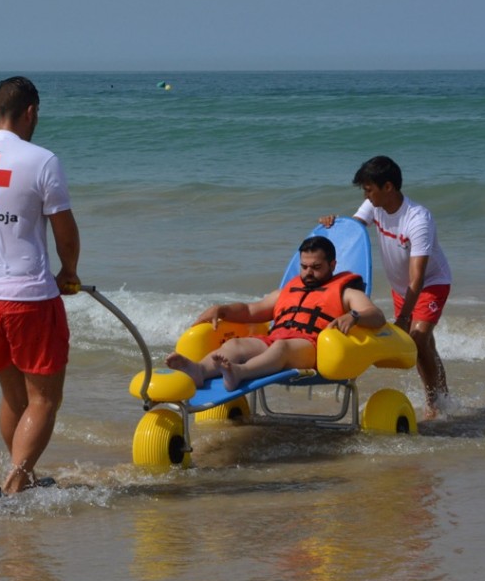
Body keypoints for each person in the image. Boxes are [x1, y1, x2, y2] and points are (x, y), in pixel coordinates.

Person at [0, 76, 81, 495]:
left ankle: (20, 479)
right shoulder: (41, 161)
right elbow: (65, 232)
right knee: (44, 400)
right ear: (32, 113)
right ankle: (14, 484)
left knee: (14, 398)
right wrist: (69, 270)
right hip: (26, 298)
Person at [319, 155, 452, 419]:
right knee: (427, 345)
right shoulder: (374, 206)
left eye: (369, 189)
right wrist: (333, 224)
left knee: (418, 338)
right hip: (402, 288)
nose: (366, 196)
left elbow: (418, 277)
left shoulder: (417, 219)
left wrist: (403, 317)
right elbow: (353, 232)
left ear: (388, 187)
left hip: (430, 284)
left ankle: (434, 404)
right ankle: (444, 396)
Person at [166, 236, 386, 391]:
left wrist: (354, 316)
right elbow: (251, 310)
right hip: (275, 339)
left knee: (282, 348)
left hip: (312, 348)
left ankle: (239, 372)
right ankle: (199, 370)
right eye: (304, 266)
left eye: (316, 267)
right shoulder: (286, 291)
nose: (308, 273)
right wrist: (221, 310)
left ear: (332, 264)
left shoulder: (346, 292)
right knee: (236, 345)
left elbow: (376, 315)